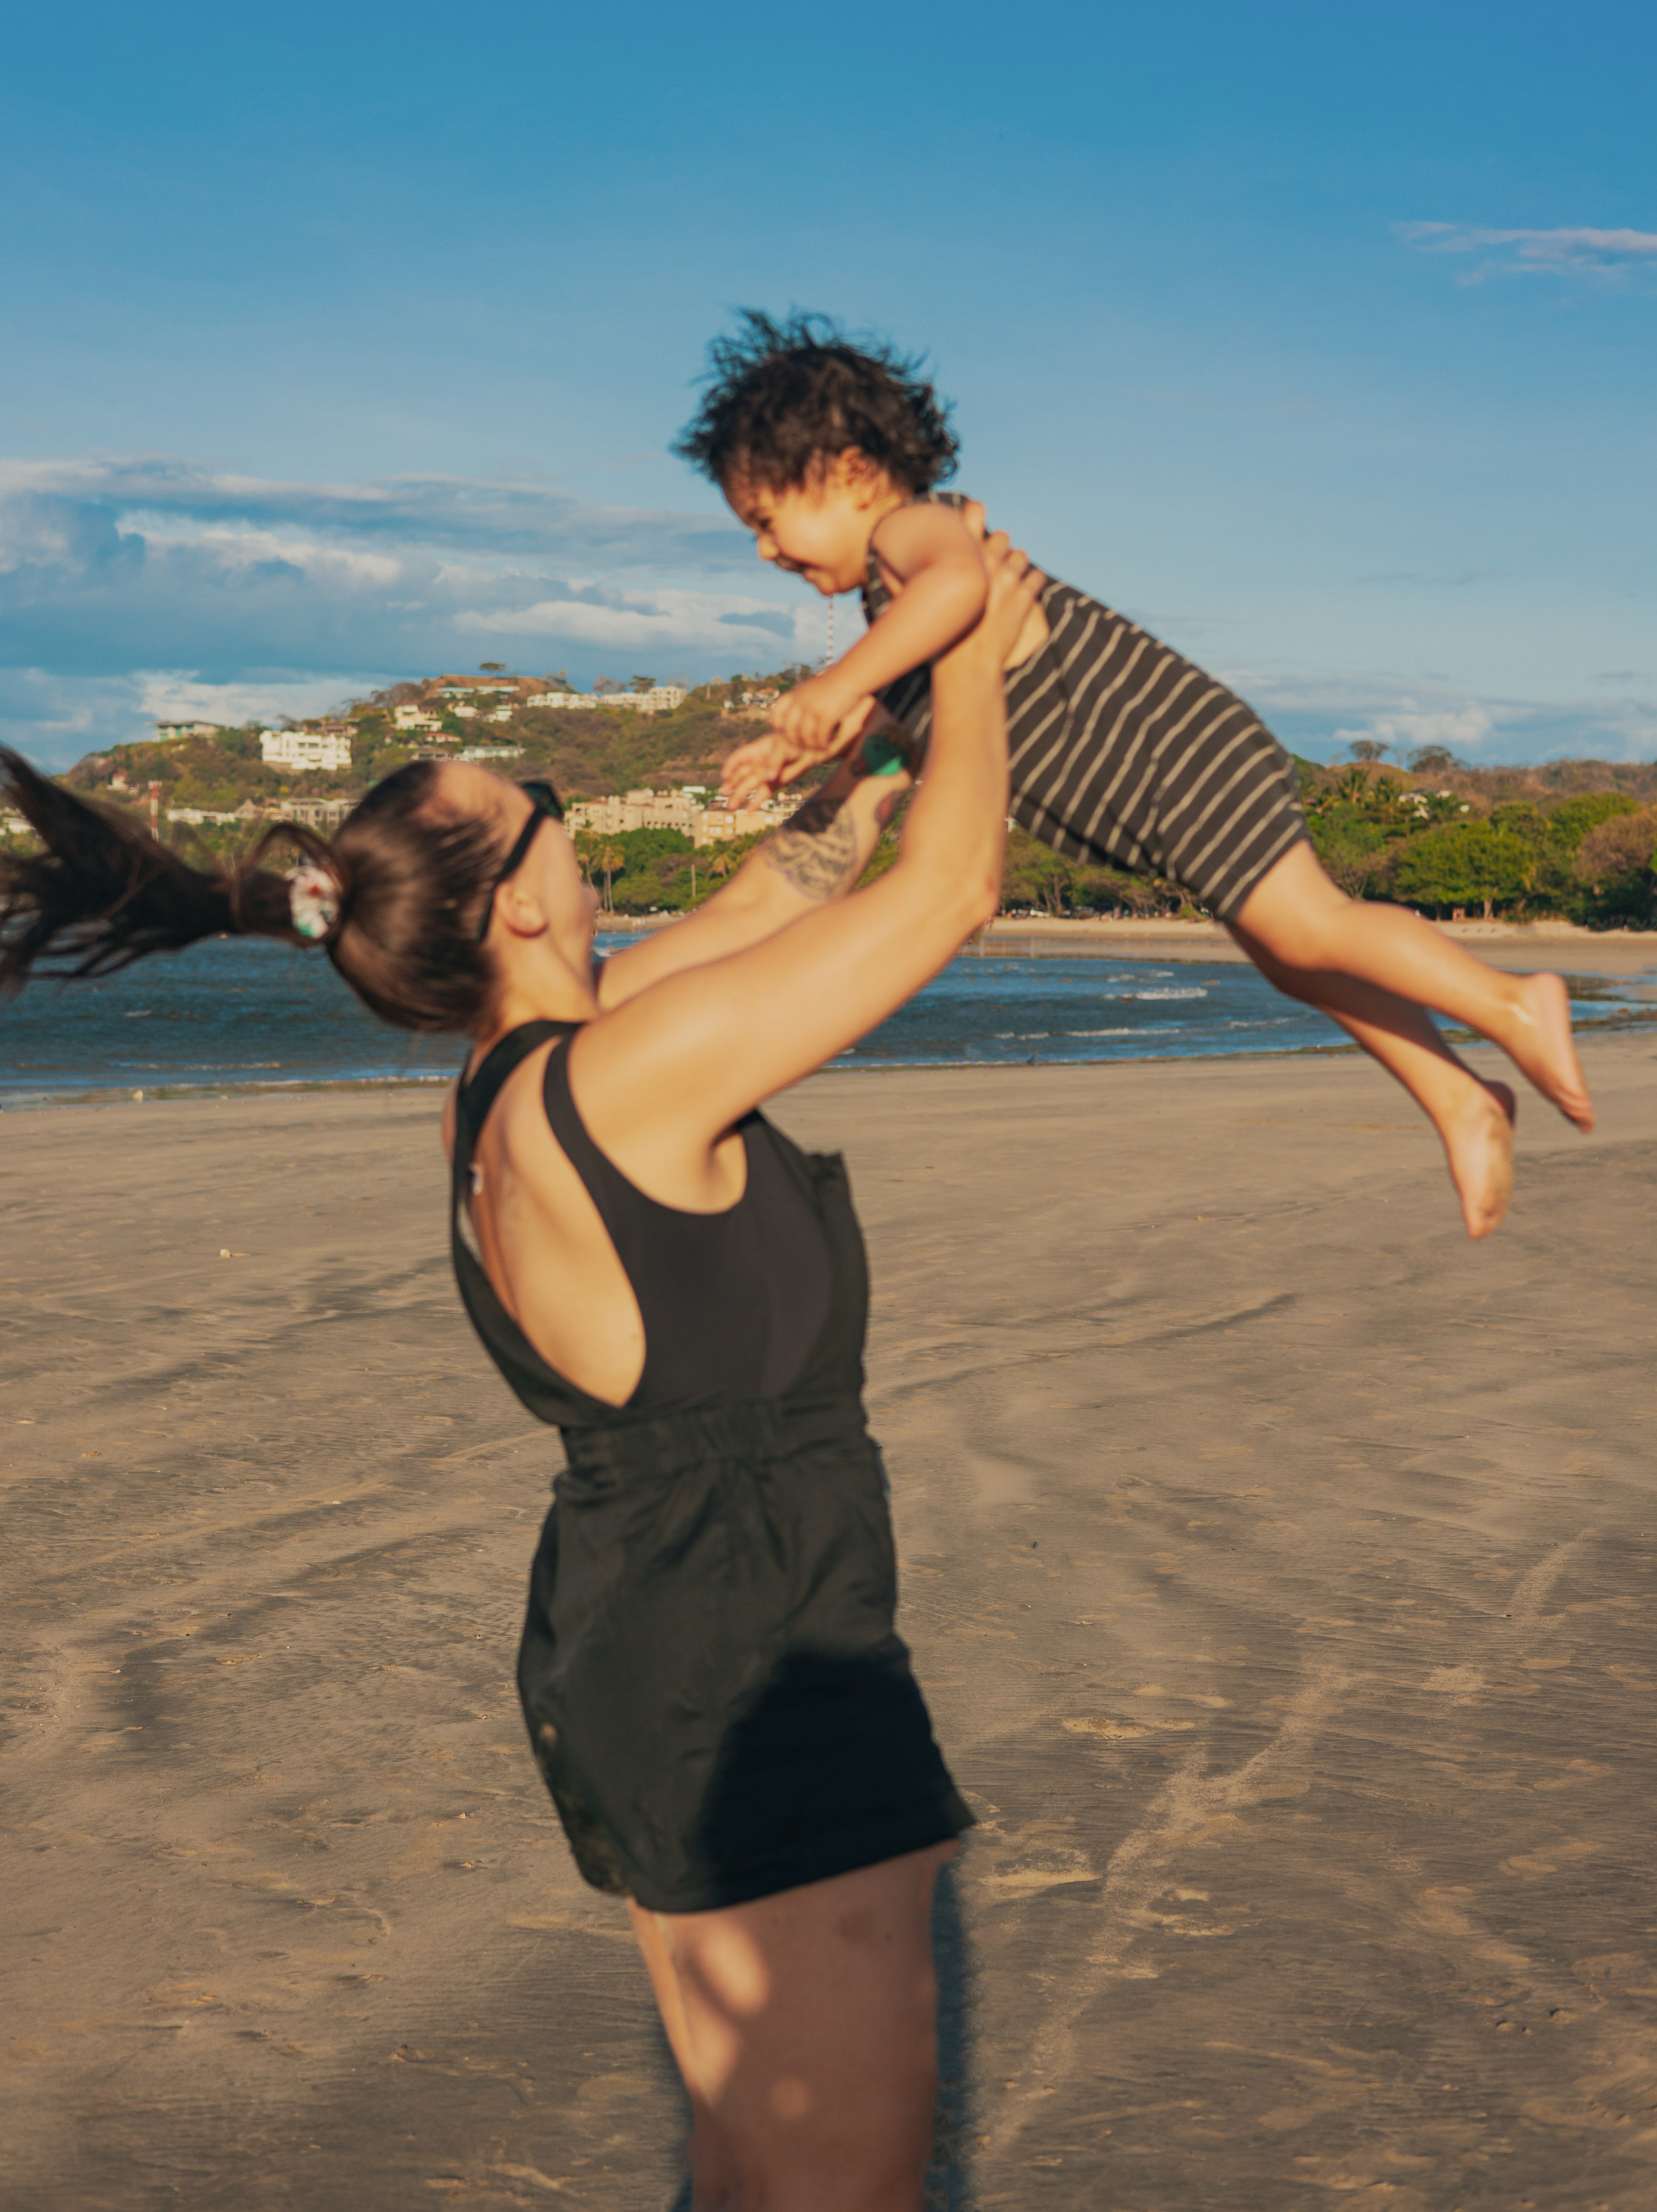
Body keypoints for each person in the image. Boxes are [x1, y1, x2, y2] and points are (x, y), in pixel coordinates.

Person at [0, 535, 1040, 2212]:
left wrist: (879, 738)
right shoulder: (619, 1079)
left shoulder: (523, 1076)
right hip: (750, 1654)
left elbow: (783, 897)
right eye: (549, 795)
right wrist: (979, 635)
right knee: (834, 2191)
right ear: (528, 897)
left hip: (660, 1640)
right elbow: (950, 896)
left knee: (754, 2173)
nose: (572, 805)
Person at [676, 310, 1595, 1242]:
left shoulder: (917, 529)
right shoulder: (890, 611)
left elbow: (963, 593)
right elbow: (918, 703)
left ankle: (1512, 1000)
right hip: (1155, 785)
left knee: (1310, 926)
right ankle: (1457, 1094)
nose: (762, 549)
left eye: (765, 519)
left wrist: (836, 681)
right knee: (1291, 958)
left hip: (1177, 754)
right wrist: (812, 742)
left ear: (848, 470)